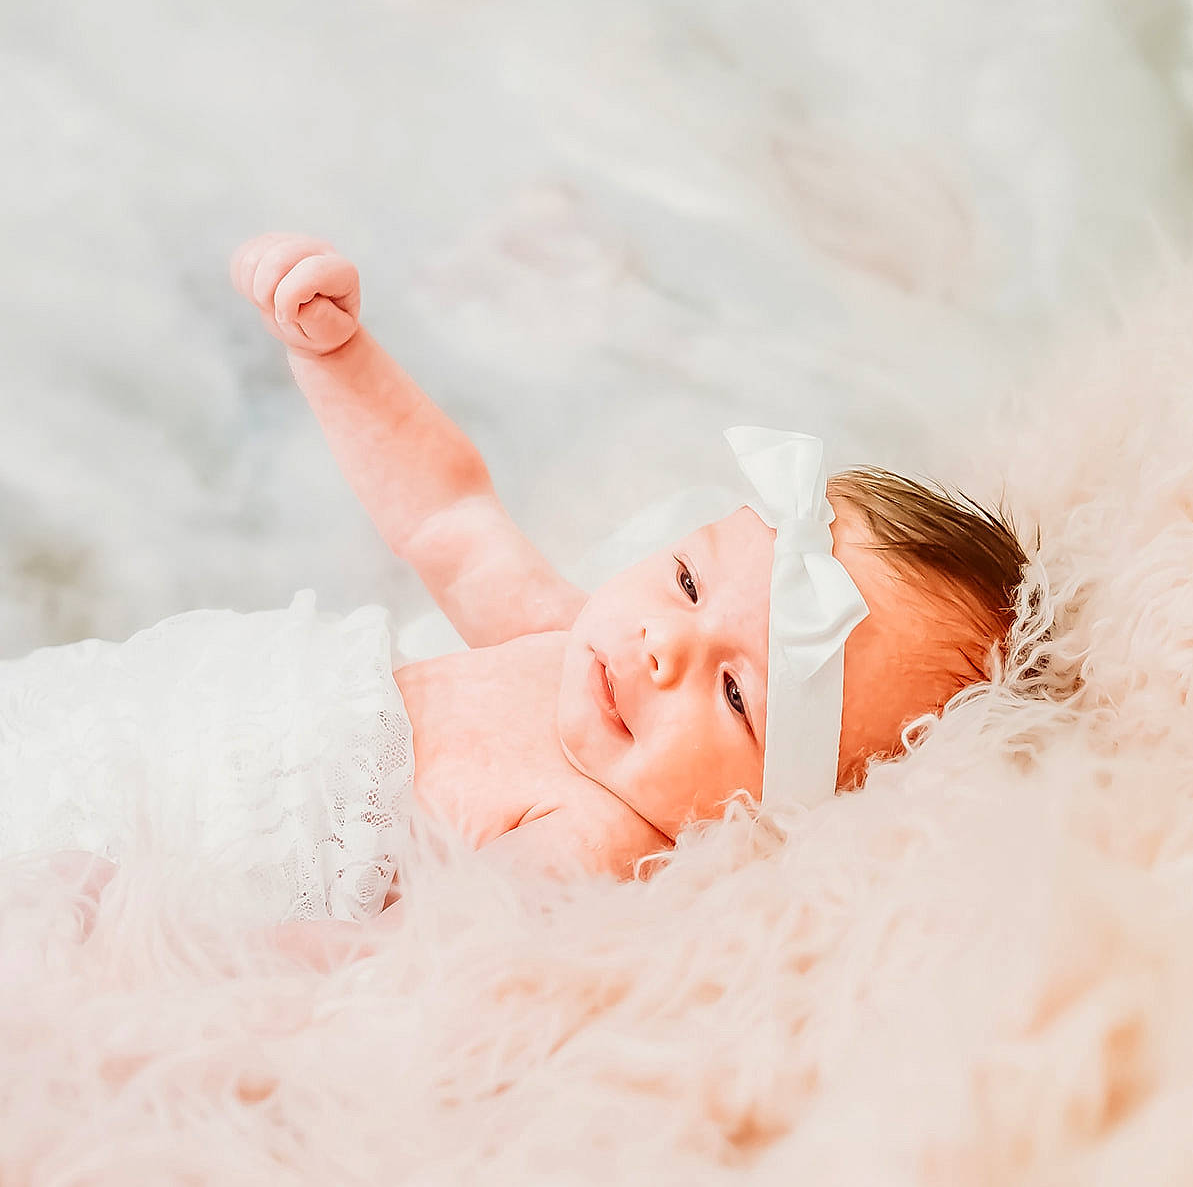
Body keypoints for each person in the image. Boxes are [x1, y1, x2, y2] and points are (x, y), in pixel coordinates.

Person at [0, 234, 1027, 928]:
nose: (663, 646)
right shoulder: (560, 638)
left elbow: (380, 978)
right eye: (682, 580)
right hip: (139, 712)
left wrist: (144, 952)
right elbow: (446, 517)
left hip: (144, 859)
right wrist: (334, 351)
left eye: (733, 693)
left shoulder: (596, 840)